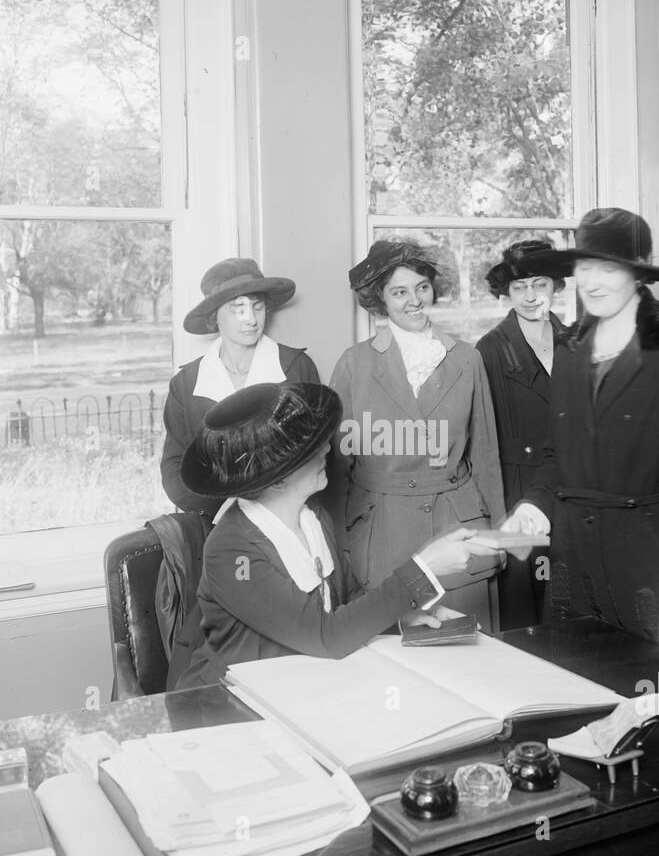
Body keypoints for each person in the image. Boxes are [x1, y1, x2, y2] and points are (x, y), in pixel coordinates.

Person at [501, 208, 659, 662]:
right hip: (574, 572)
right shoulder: (569, 349)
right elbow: (557, 456)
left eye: (608, 267)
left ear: (638, 273)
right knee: (582, 713)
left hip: (651, 570)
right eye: (584, 267)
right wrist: (534, 506)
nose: (592, 281)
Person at [176, 382, 501, 688]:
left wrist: (404, 618)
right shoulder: (233, 553)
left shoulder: (314, 517)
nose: (326, 451)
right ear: (276, 479)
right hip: (233, 702)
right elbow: (325, 635)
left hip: (303, 685)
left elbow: (350, 603)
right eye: (310, 451)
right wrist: (423, 570)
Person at [325, 238, 506, 629]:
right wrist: (339, 547)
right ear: (381, 299)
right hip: (381, 534)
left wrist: (498, 536)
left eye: (421, 287)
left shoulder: (467, 358)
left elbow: (486, 457)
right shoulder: (354, 364)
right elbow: (338, 469)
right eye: (399, 292)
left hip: (457, 529)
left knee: (472, 658)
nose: (414, 300)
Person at [160, 258, 319, 523]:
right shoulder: (187, 384)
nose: (251, 319)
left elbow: (318, 451)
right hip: (215, 524)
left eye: (257, 307)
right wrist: (224, 510)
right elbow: (174, 469)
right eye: (237, 309)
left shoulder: (295, 368)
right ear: (214, 318)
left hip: (290, 518)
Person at [475, 240, 571, 628]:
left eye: (540, 284)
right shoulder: (491, 350)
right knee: (526, 608)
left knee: (574, 606)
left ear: (557, 285)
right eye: (519, 287)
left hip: (576, 488)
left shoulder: (578, 339)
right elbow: (483, 439)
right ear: (507, 293)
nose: (531, 297)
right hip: (520, 490)